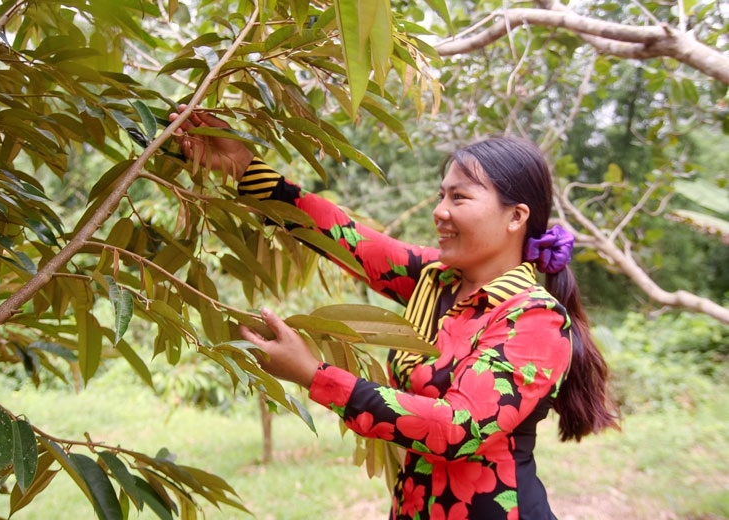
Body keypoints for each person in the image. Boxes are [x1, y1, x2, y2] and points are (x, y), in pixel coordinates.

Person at [170, 106, 619, 519]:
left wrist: (315, 375)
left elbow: (456, 428)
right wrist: (245, 167)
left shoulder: (536, 320)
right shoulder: (435, 278)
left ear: (516, 216)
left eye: (459, 198)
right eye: (441, 195)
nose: (440, 211)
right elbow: (343, 236)